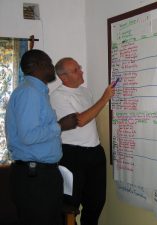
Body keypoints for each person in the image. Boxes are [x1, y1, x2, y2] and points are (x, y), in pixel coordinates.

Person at [5, 49, 78, 225]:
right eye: (49, 63)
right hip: (34, 179)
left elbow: (37, 130)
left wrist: (58, 125)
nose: (52, 67)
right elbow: (28, 136)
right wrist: (60, 126)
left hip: (41, 175)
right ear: (37, 66)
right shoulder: (29, 93)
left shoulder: (37, 92)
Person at [50, 57, 115, 225]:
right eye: (75, 70)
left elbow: (90, 116)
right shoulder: (57, 96)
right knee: (69, 204)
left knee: (96, 202)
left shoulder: (85, 91)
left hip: (94, 152)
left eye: (79, 67)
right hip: (72, 155)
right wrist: (104, 98)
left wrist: (102, 99)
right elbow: (79, 121)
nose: (81, 71)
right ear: (63, 77)